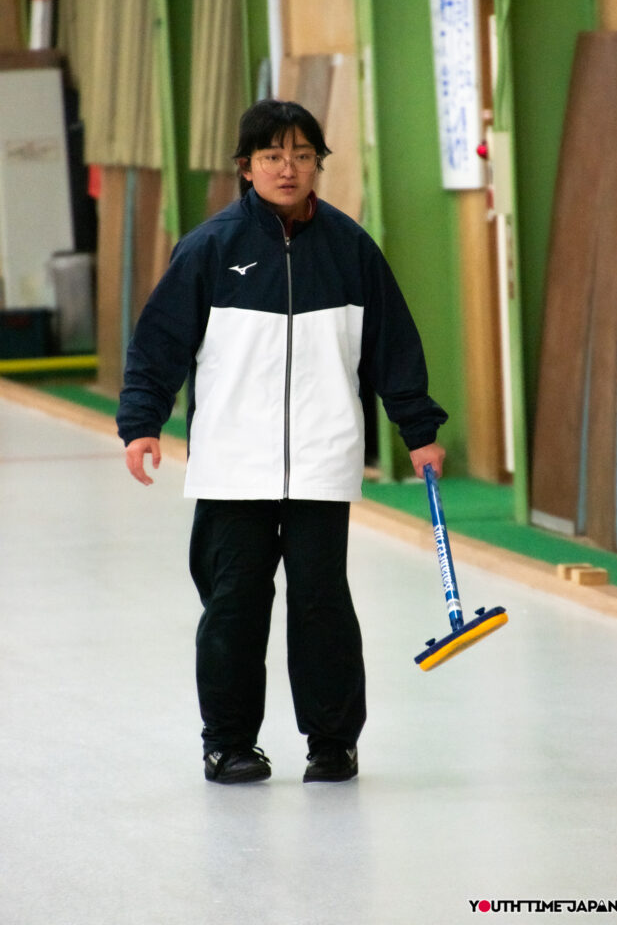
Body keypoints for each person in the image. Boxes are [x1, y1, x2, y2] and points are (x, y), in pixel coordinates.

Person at [116, 99, 447, 785]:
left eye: (301, 155)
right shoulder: (211, 248)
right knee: (235, 600)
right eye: (272, 156)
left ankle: (332, 742)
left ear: (318, 163)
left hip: (323, 461)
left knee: (322, 601)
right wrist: (142, 421)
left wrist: (419, 430)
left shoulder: (351, 248)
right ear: (247, 167)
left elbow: (393, 345)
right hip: (233, 463)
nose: (287, 168)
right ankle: (229, 742)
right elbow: (160, 343)